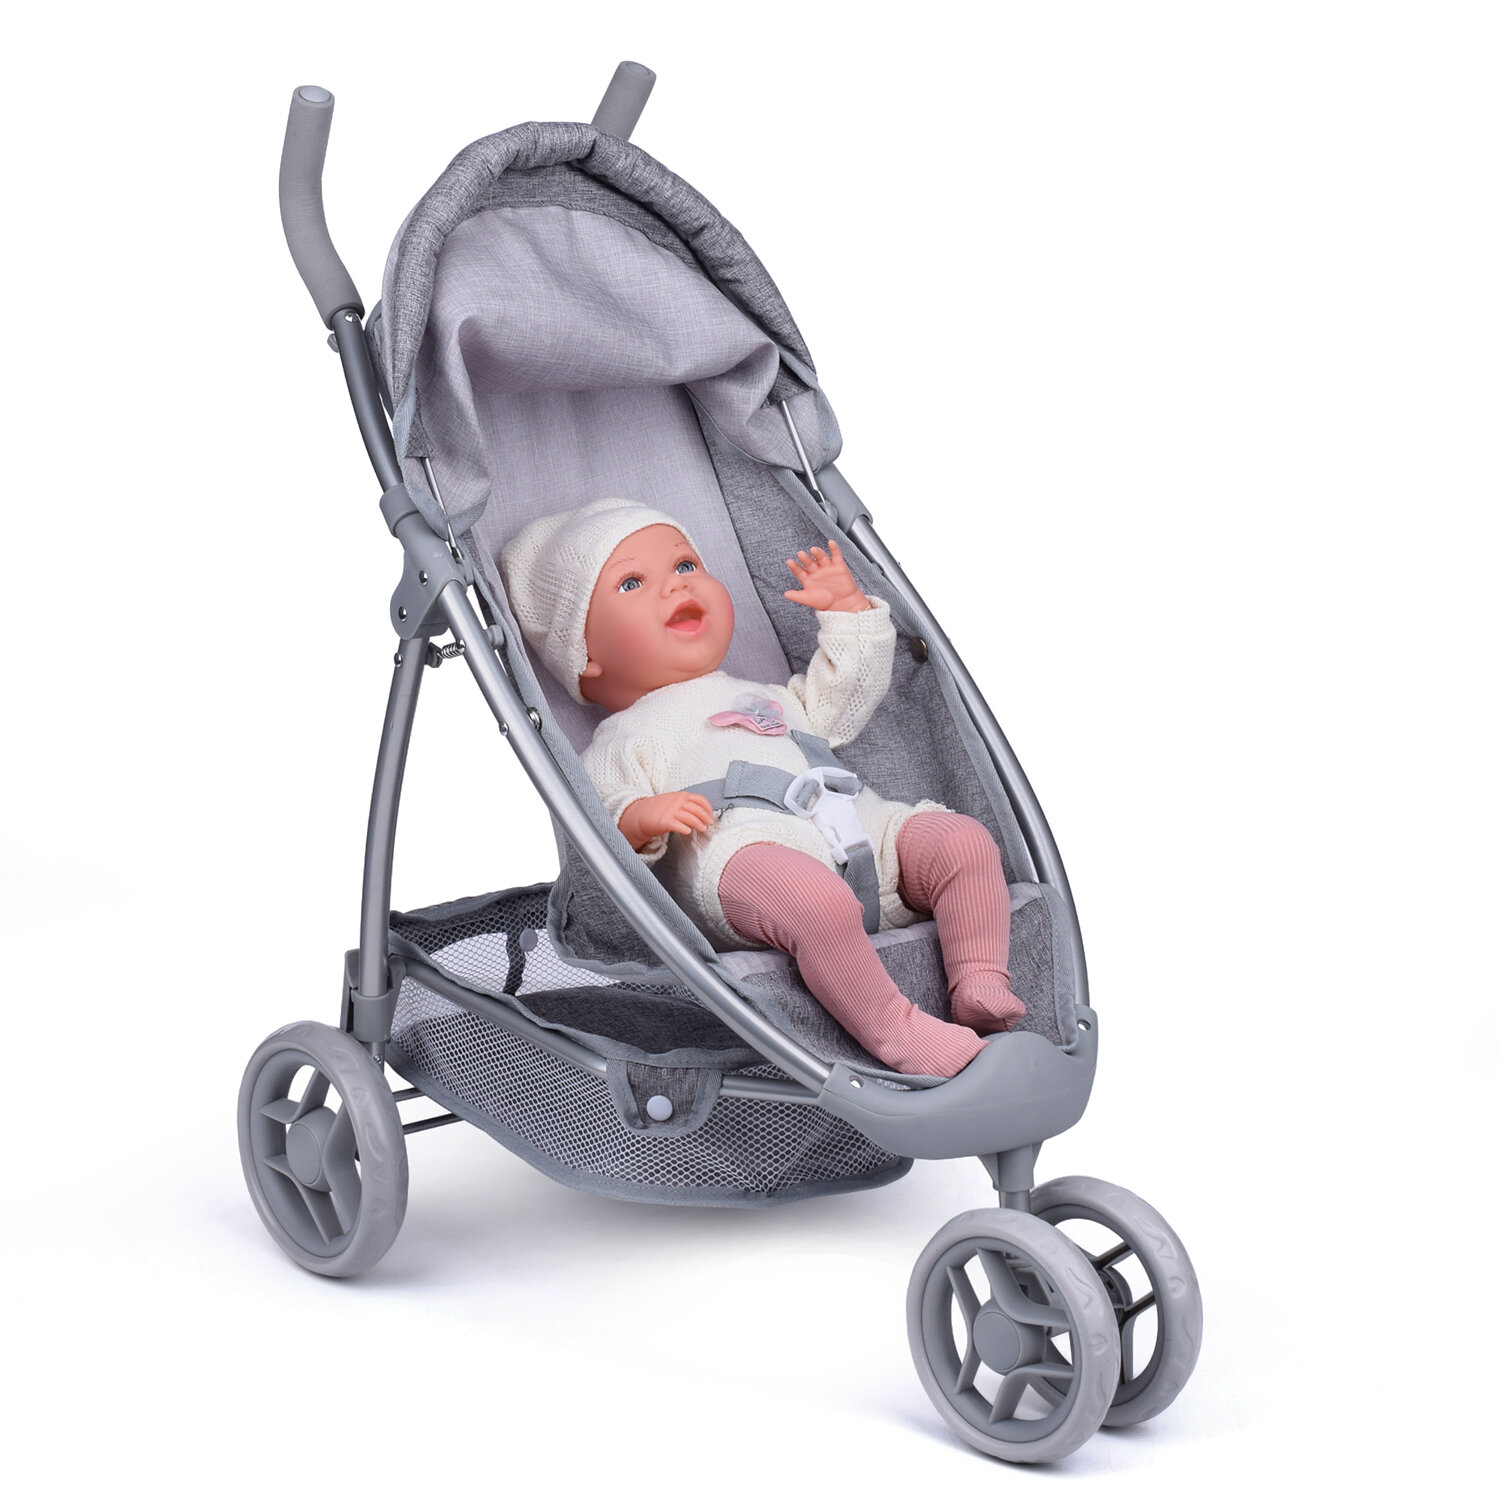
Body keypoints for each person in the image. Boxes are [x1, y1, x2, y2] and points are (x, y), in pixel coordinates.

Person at [501, 499, 1025, 1076]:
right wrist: (641, 817)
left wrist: (848, 613)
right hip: (738, 855)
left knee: (963, 841)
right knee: (814, 902)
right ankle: (898, 1033)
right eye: (632, 583)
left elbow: (842, 700)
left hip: (860, 830)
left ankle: (980, 981)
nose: (675, 586)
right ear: (586, 659)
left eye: (685, 565)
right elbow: (596, 819)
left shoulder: (771, 696)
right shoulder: (623, 736)